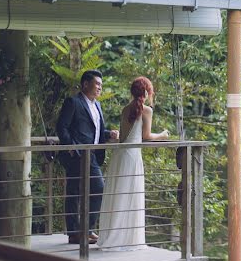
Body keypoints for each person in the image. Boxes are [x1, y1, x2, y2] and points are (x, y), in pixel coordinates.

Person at [97, 76, 170, 251]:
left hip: (120, 156)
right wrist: (163, 135)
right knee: (130, 195)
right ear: (146, 92)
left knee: (118, 195)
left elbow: (123, 137)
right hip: (132, 157)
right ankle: (128, 239)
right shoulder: (146, 111)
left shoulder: (125, 109)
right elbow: (146, 136)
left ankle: (114, 236)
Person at [56, 70, 119, 245]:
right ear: (85, 84)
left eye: (101, 84)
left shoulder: (97, 105)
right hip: (78, 154)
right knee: (77, 192)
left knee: (93, 190)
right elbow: (62, 127)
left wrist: (108, 134)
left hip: (92, 155)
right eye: (97, 84)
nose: (100, 87)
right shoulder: (73, 102)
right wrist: (72, 148)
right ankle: (76, 233)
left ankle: (85, 230)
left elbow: (94, 131)